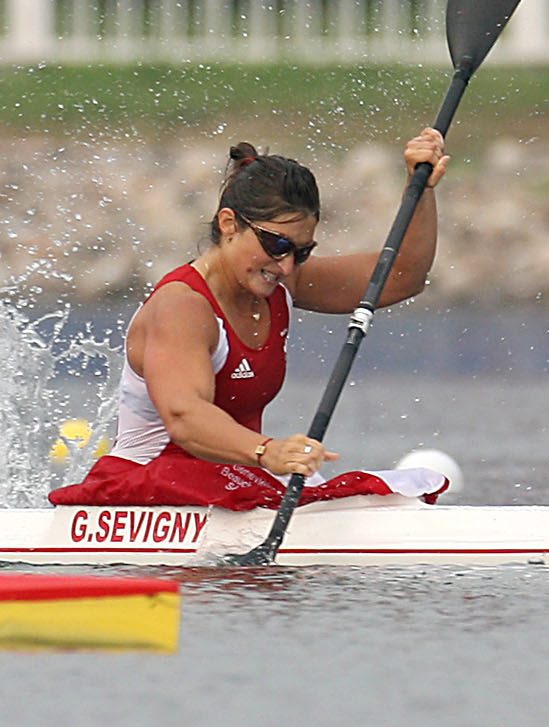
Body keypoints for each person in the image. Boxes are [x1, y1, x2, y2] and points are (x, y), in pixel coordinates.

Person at [49, 129, 452, 508]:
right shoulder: (182, 306)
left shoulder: (282, 281)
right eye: (276, 244)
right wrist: (267, 451)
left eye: (301, 251)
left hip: (230, 480)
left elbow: (402, 277)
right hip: (145, 488)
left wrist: (420, 188)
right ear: (229, 224)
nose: (286, 265)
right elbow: (185, 418)